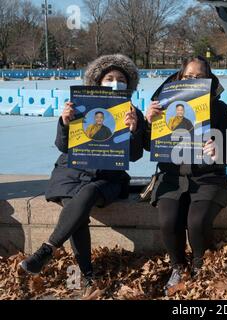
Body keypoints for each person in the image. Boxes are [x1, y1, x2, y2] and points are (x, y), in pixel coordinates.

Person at [19, 54, 147, 288]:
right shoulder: (80, 108)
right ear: (98, 81)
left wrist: (134, 130)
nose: (115, 83)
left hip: (107, 177)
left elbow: (135, 155)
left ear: (129, 85)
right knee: (75, 209)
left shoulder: (133, 113)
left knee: (87, 194)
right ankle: (87, 275)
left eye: (121, 79)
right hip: (71, 172)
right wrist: (65, 123)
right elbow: (62, 146)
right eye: (109, 78)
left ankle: (47, 250)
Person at [145, 56, 227, 294]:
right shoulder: (163, 108)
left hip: (208, 177)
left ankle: (199, 264)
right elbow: (146, 147)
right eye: (189, 77)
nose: (194, 80)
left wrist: (221, 147)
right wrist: (148, 122)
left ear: (209, 79)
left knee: (196, 222)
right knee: (168, 221)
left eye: (200, 77)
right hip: (172, 177)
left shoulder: (220, 109)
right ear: (179, 78)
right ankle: (177, 266)